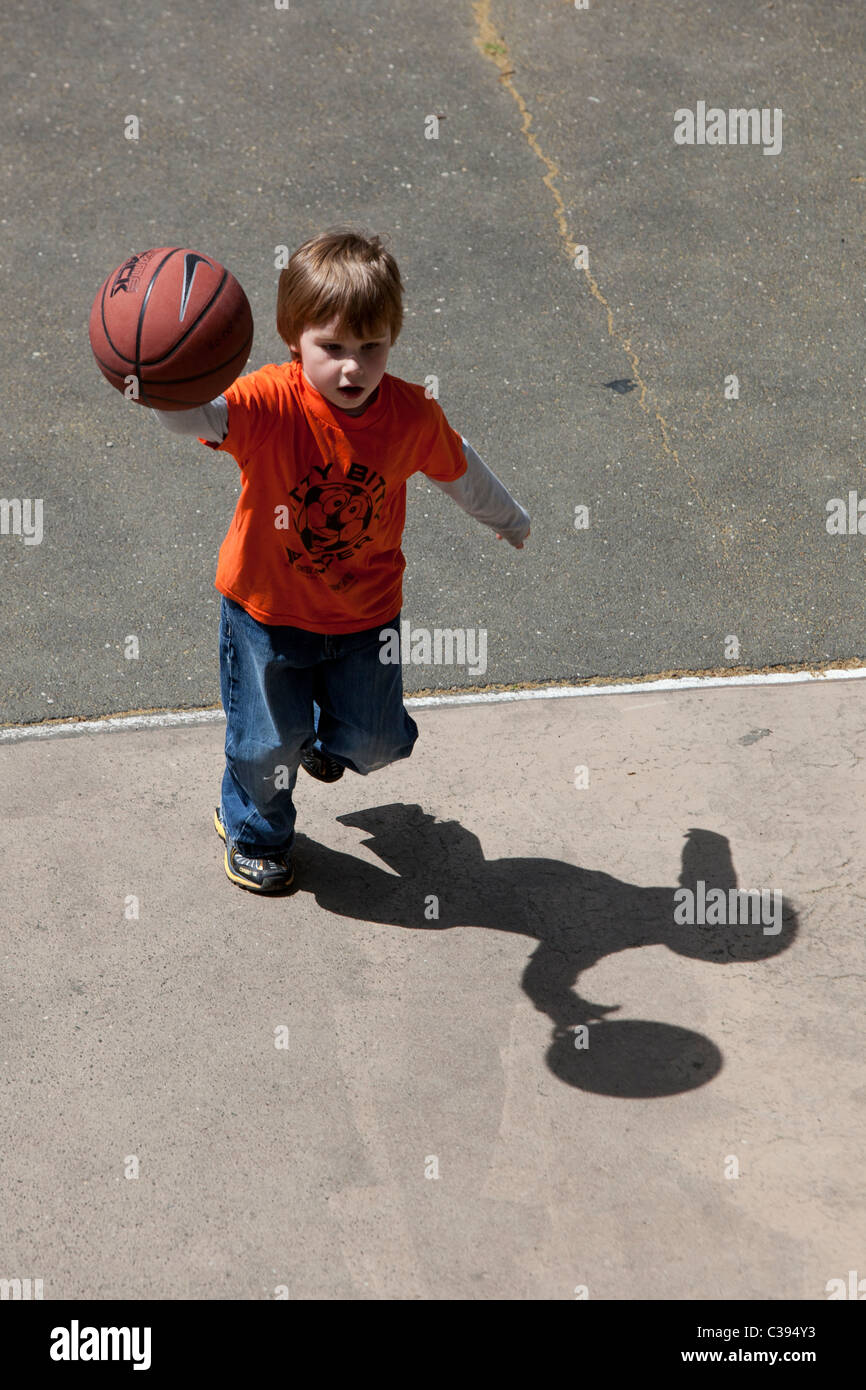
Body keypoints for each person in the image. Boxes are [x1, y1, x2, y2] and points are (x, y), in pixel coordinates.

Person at [155, 226, 531, 893]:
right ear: (293, 338)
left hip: (364, 616)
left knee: (377, 742)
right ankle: (255, 833)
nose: (353, 367)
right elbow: (193, 419)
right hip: (265, 614)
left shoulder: (410, 415)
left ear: (393, 338)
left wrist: (505, 517)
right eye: (332, 348)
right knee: (266, 746)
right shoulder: (270, 402)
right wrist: (160, 378)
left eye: (372, 347)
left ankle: (322, 746)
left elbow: (458, 466)